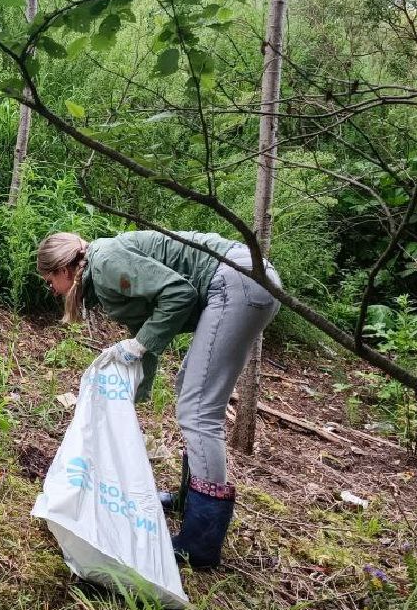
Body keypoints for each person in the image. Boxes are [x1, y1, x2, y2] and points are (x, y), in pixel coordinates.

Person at [35, 229, 280, 569]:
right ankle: (188, 503)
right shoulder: (103, 271)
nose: (51, 289)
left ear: (63, 269)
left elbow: (179, 294)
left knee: (198, 412)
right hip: (247, 279)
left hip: (238, 280)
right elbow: (147, 327)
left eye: (49, 280)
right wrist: (133, 393)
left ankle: (201, 542)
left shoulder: (103, 263)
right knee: (189, 391)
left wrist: (136, 347)